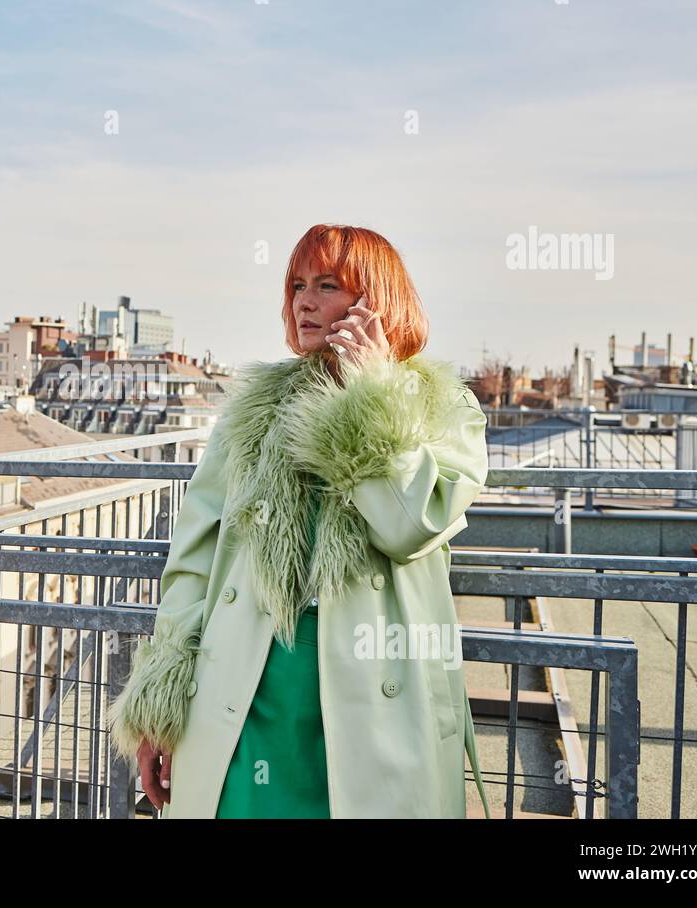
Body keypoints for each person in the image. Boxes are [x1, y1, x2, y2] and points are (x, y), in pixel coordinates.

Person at [108, 224, 492, 818]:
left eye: (329, 285)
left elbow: (408, 526)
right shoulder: (255, 412)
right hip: (245, 690)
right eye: (296, 286)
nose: (305, 302)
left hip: (374, 698)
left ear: (375, 298)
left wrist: (370, 397)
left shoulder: (442, 406)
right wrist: (162, 705)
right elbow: (193, 561)